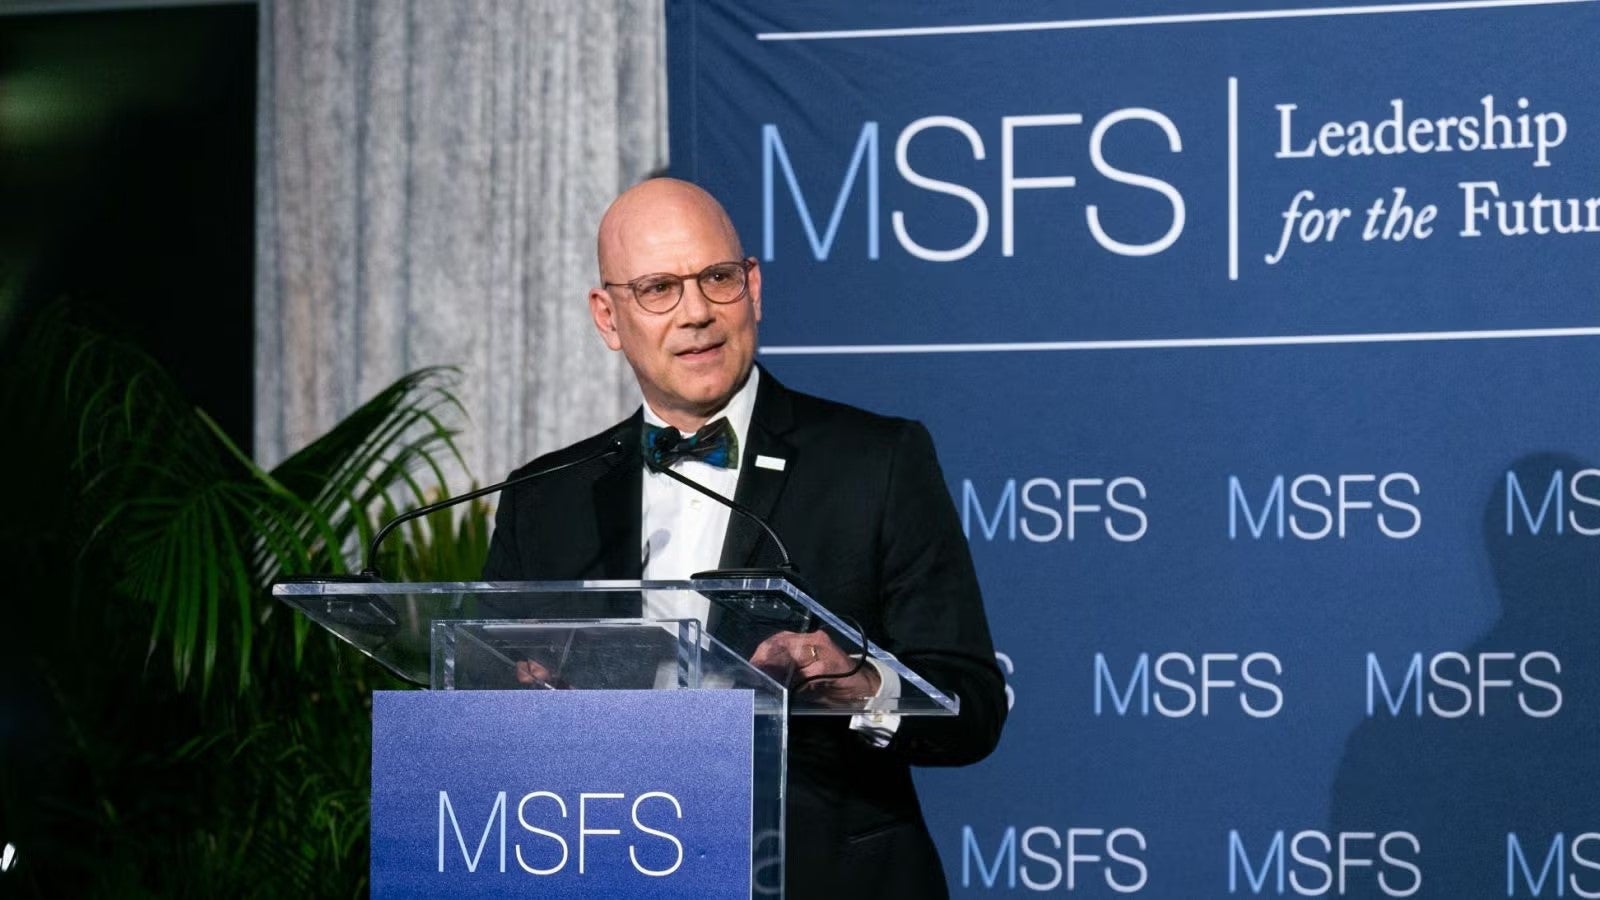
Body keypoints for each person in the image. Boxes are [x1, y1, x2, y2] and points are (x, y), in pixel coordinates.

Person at [482, 177, 1006, 899]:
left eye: (717, 279)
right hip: (603, 873)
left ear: (752, 287)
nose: (696, 313)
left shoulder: (876, 462)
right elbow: (491, 715)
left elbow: (971, 707)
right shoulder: (543, 497)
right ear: (608, 316)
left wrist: (858, 687)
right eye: (660, 288)